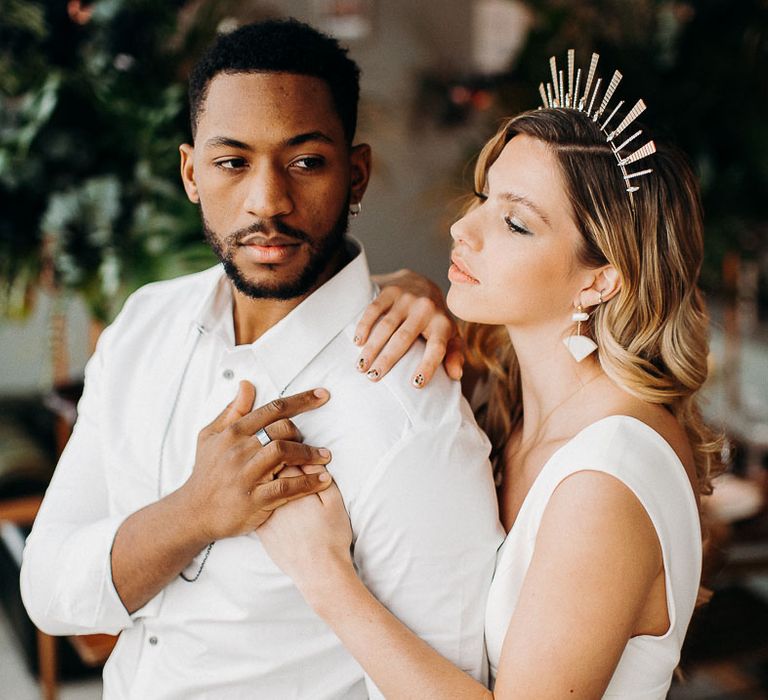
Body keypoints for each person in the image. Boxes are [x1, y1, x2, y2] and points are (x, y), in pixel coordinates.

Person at [20, 19, 503, 698]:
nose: (268, 202)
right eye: (232, 162)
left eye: (306, 162)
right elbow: (50, 592)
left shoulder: (411, 416)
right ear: (191, 173)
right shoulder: (143, 326)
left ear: (355, 174)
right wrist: (193, 513)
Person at [256, 52, 722, 698]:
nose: (462, 228)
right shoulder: (511, 407)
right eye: (483, 197)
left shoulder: (607, 475)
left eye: (514, 222)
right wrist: (413, 291)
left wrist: (324, 575)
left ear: (600, 280)